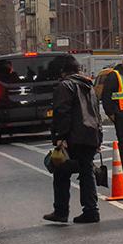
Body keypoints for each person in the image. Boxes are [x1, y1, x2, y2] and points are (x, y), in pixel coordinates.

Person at [45, 55, 103, 224]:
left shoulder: (65, 86)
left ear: (63, 71)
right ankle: (91, 210)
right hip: (91, 134)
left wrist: (60, 136)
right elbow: (95, 113)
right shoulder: (88, 86)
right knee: (86, 172)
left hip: (74, 135)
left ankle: (61, 211)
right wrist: (98, 137)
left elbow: (62, 113)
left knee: (61, 171)